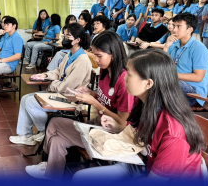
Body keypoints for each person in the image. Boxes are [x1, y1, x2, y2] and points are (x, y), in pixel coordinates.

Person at [72, 49, 204, 182]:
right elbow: (142, 139)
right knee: (80, 178)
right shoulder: (145, 103)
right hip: (143, 166)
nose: (124, 77)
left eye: (129, 74)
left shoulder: (173, 132)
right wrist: (118, 128)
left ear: (148, 83)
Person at [25, 31, 135, 180]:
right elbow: (106, 98)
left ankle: (46, 163)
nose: (95, 60)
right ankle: (52, 173)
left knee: (55, 122)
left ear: (113, 54)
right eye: (94, 54)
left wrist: (94, 102)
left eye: (99, 56)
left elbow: (122, 122)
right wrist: (92, 93)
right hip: (99, 123)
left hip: (111, 132)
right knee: (58, 139)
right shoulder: (105, 70)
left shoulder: (123, 80)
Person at [9, 23, 92, 146]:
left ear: (77, 40)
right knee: (25, 98)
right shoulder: (70, 54)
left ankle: (45, 131)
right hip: (59, 92)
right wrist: (45, 75)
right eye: (64, 35)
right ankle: (25, 135)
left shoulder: (82, 61)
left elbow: (66, 87)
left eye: (68, 36)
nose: (64, 38)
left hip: (69, 98)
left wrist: (51, 85)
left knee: (31, 102)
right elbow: (59, 71)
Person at [164, 13, 208, 108]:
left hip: (194, 93)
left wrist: (171, 76)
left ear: (190, 30)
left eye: (179, 26)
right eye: (174, 26)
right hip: (175, 85)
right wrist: (166, 47)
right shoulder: (174, 45)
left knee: (163, 84)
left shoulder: (199, 48)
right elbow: (164, 66)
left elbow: (198, 77)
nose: (174, 29)